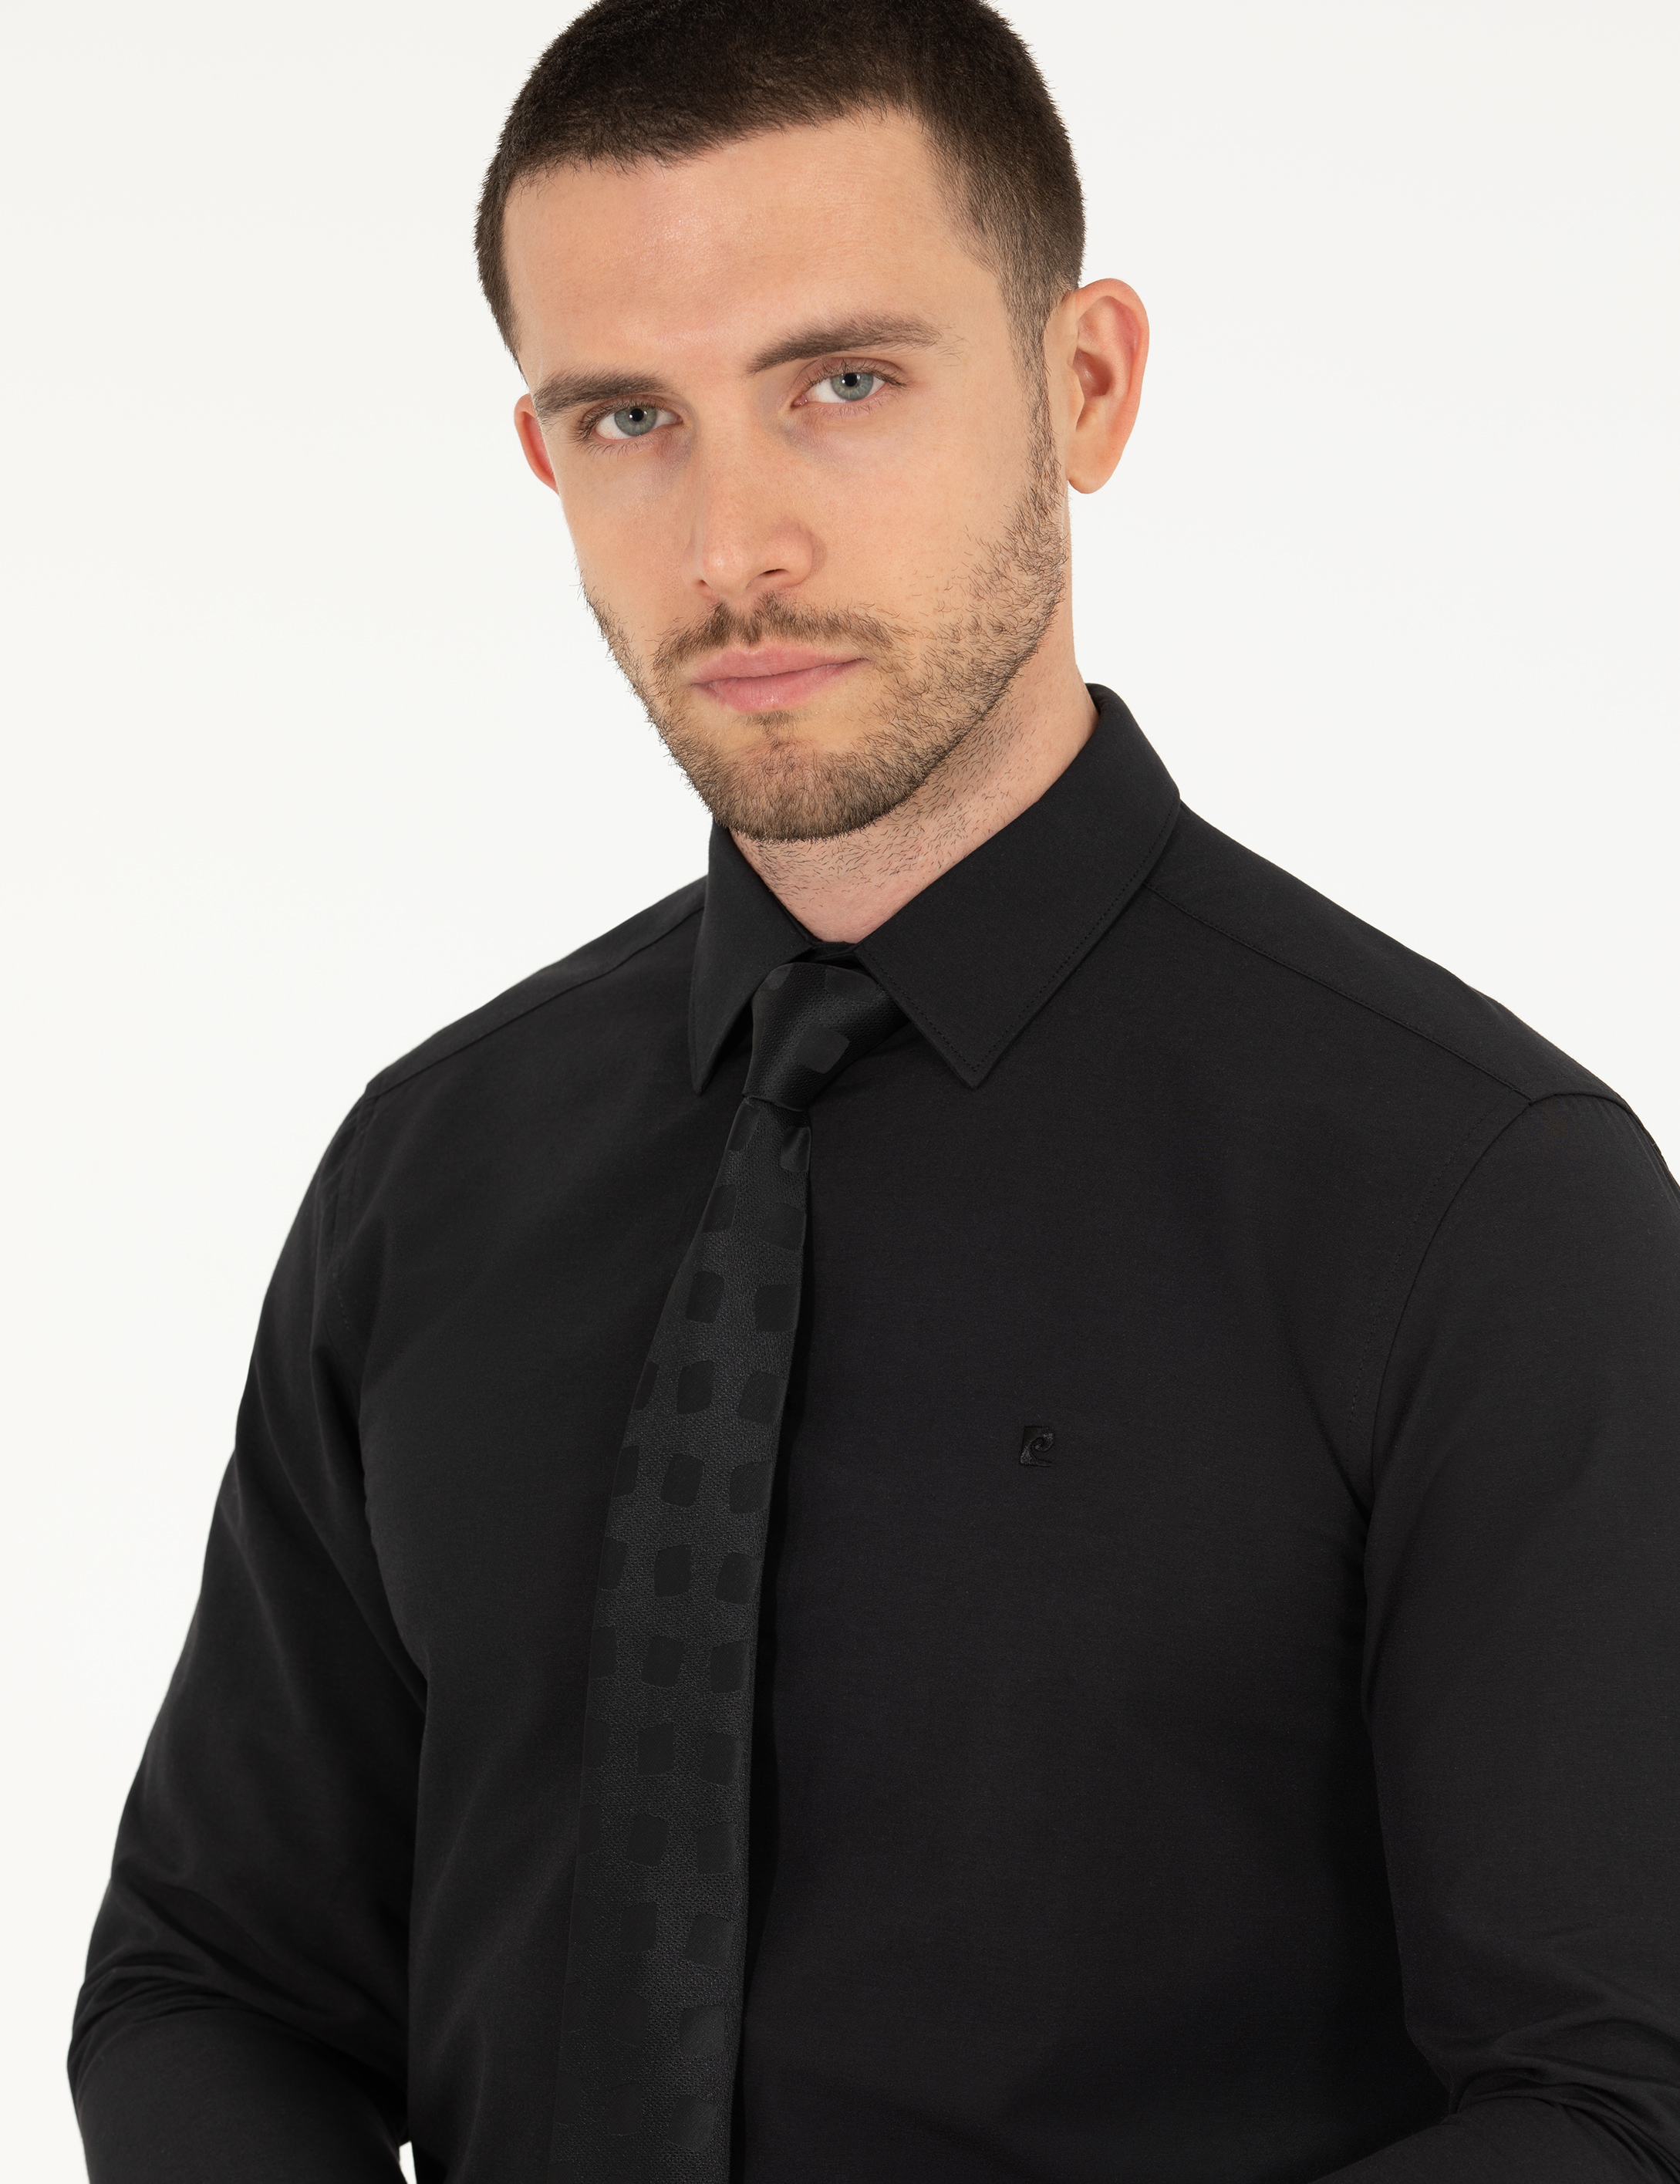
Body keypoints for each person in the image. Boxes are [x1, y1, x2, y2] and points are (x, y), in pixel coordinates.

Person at [69, 0, 1680, 2177]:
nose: (733, 544)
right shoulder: (428, 1172)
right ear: (543, 458)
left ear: (1084, 384)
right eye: (630, 416)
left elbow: (1611, 2102)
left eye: (841, 383)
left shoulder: (1479, 1200)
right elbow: (214, 1985)